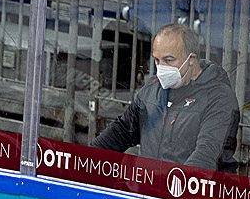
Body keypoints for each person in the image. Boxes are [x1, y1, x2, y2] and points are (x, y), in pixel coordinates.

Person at [91, 24, 239, 173]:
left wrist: (176, 186)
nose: (161, 68)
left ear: (191, 59)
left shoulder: (219, 98)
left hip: (195, 192)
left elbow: (208, 153)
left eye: (169, 60)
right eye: (157, 60)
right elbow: (122, 130)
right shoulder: (152, 89)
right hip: (148, 189)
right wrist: (86, 159)